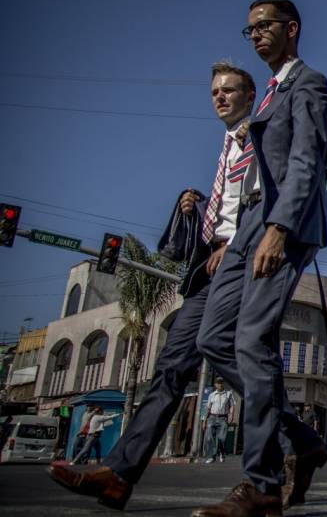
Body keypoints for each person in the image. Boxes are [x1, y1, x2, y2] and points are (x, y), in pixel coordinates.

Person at [48, 61, 262, 511]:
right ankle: (118, 476)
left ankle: (288, 433)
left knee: (217, 347)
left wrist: (234, 243)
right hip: (207, 267)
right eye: (214, 92)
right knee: (170, 367)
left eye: (229, 90)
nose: (220, 97)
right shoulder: (227, 144)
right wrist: (199, 208)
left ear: (250, 94)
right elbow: (232, 201)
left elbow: (265, 202)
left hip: (236, 261)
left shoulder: (259, 135)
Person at [193, 0, 327, 517]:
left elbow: (306, 161)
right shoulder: (269, 93)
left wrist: (279, 230)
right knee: (213, 339)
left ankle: (262, 484)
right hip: (245, 229)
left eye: (263, 25)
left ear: (291, 29)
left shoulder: (309, 85)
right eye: (247, 29)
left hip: (280, 227)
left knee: (252, 339)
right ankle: (302, 437)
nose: (253, 35)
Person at [203, 378, 235, 464]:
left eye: (221, 383)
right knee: (209, 438)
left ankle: (222, 452)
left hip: (223, 418)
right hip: (212, 418)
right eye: (218, 383)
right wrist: (204, 420)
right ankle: (211, 457)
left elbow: (232, 405)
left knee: (222, 438)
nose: (220, 384)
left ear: (223, 384)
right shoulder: (211, 395)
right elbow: (208, 408)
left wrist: (231, 415)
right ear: (215, 385)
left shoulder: (229, 394)